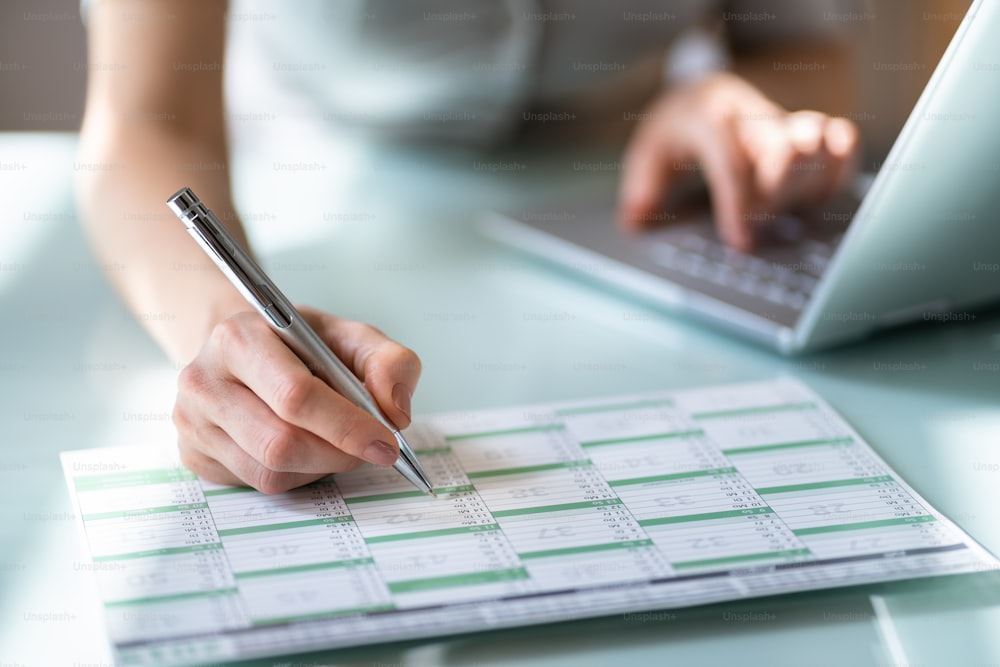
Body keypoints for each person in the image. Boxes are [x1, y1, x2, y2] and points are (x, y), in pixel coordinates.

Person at [75, 0, 861, 493]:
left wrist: (745, 107)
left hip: (645, 217)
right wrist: (228, 322)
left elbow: (809, 53)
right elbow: (145, 120)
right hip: (305, 193)